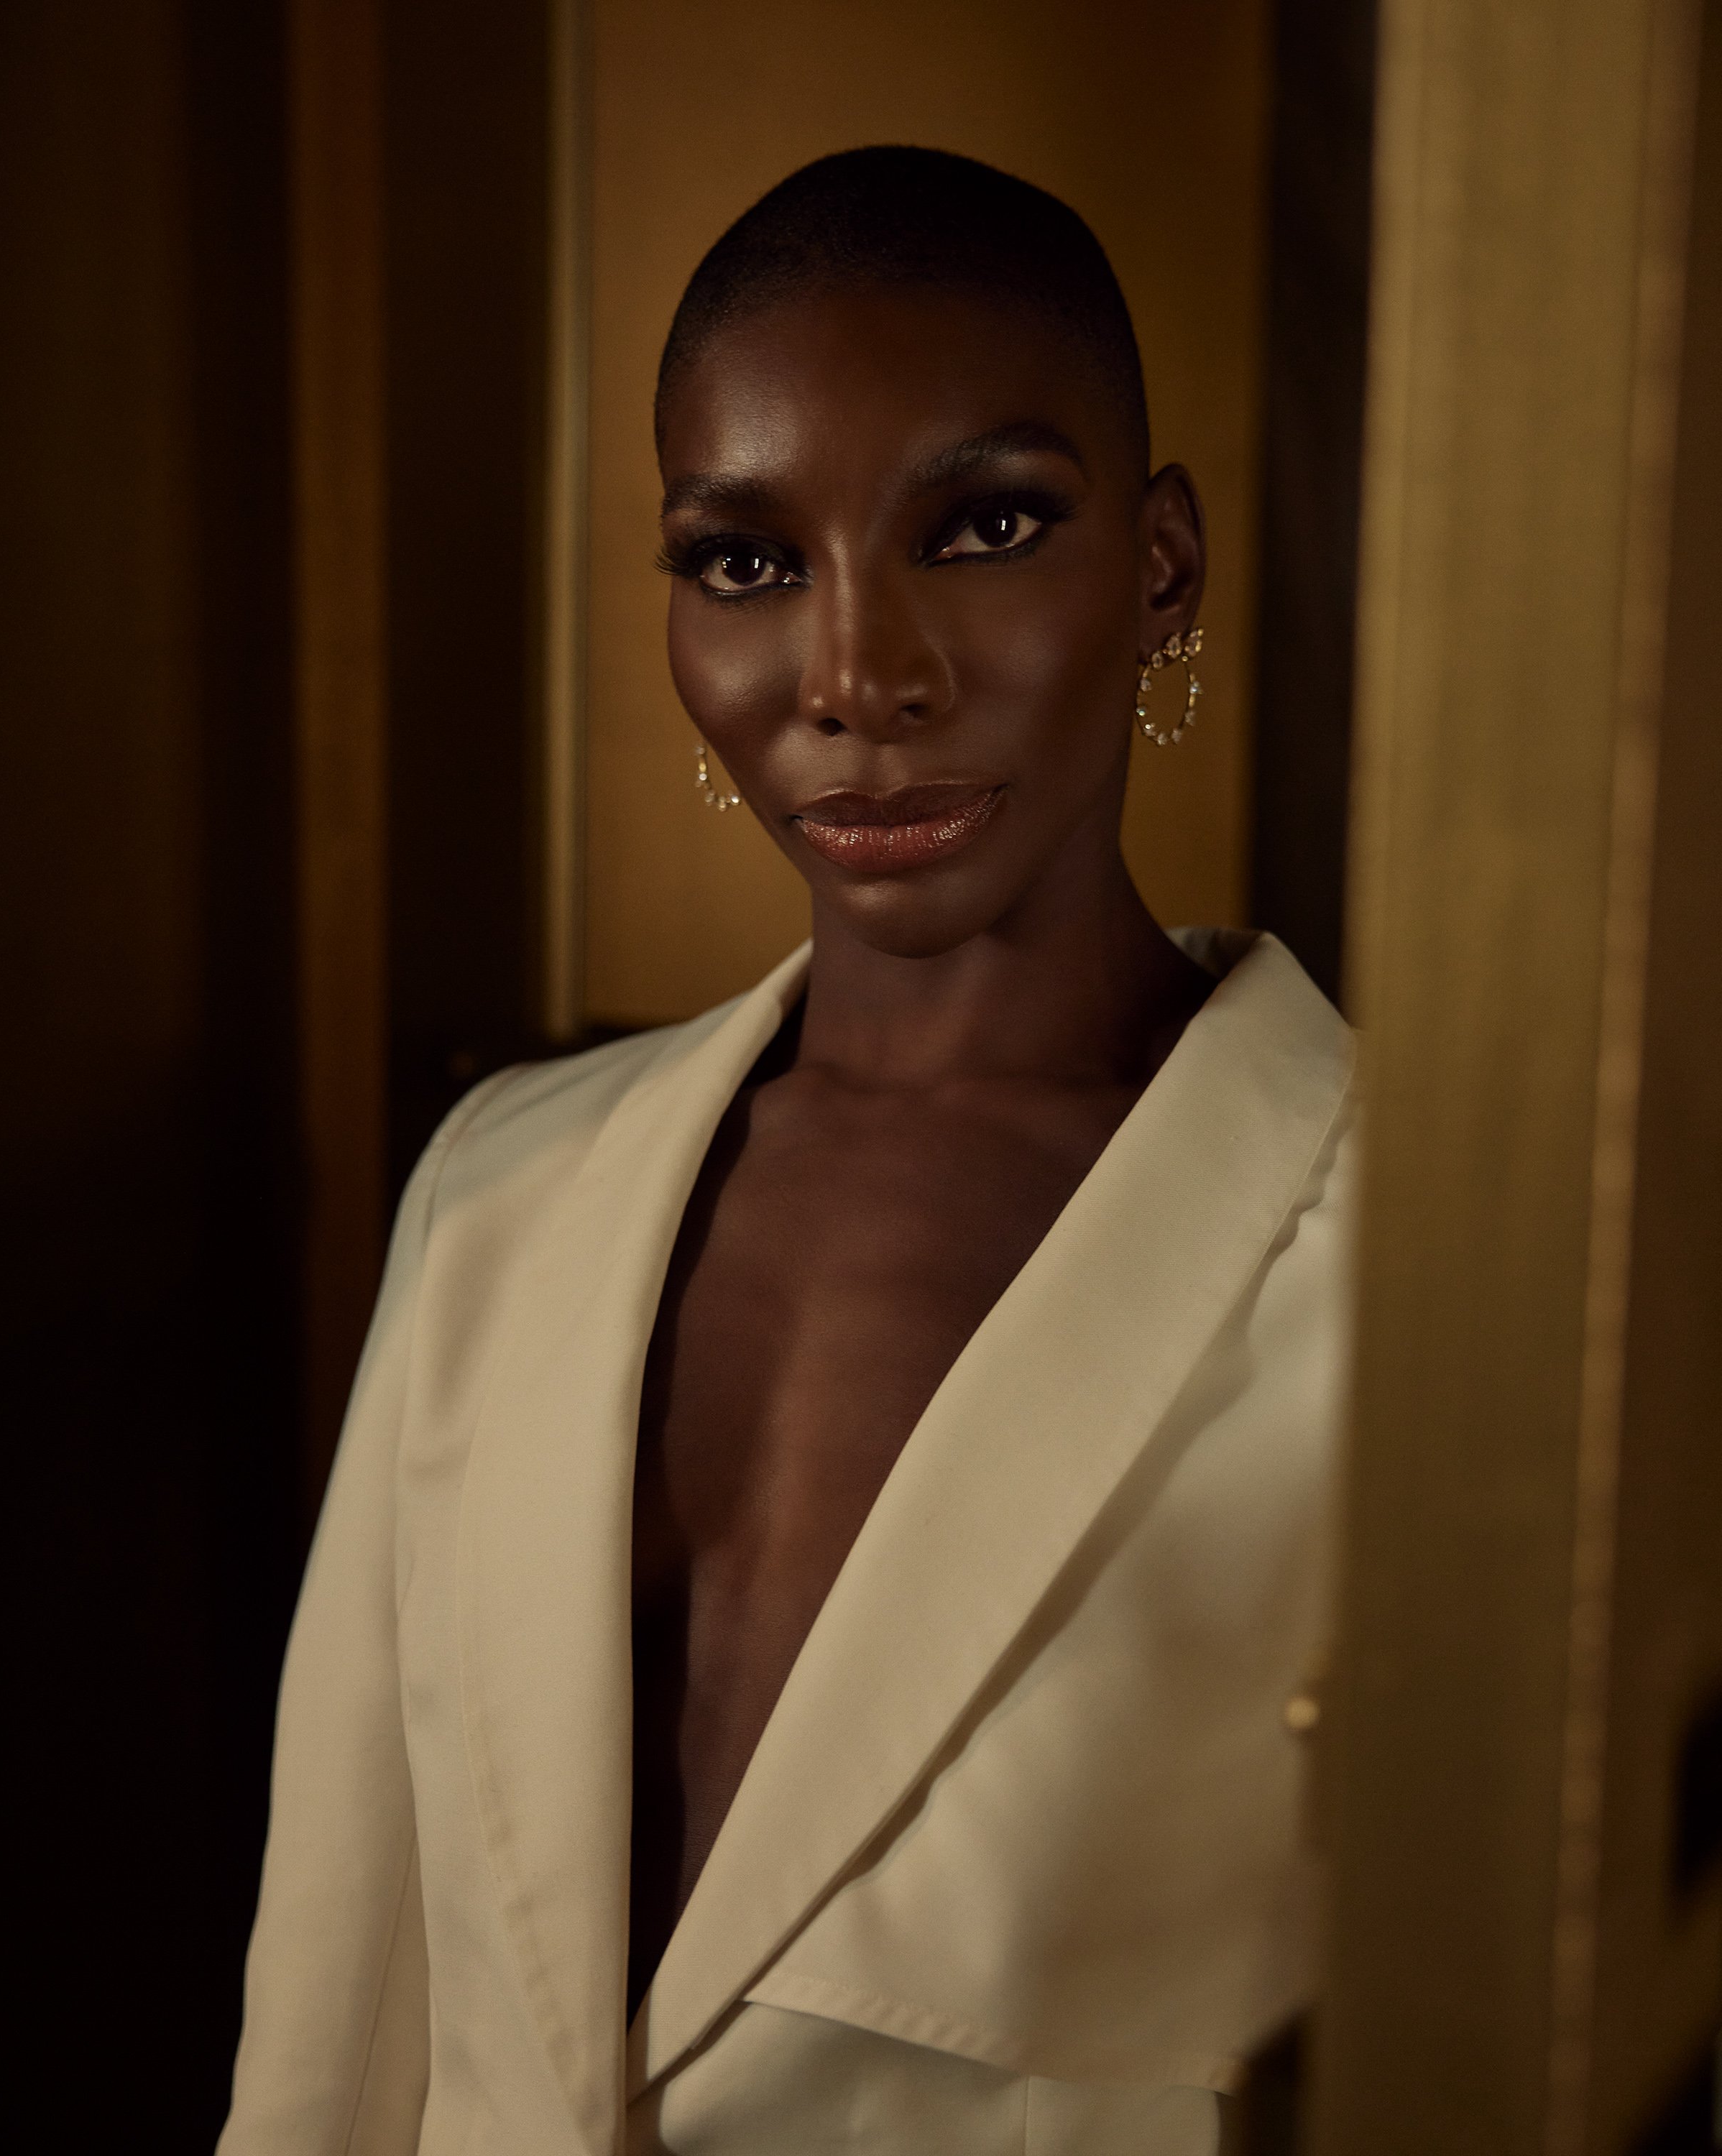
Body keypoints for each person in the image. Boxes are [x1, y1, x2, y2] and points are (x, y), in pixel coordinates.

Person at [220, 147, 1355, 2156]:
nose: (855, 677)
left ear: (1162, 566)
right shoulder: (499, 1195)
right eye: (746, 561)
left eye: (987, 525)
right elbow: (336, 2026)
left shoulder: (1412, 1280)